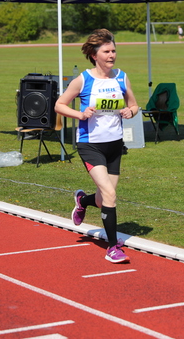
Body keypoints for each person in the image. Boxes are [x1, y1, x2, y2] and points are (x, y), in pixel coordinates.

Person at [55, 28, 138, 263]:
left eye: (114, 51)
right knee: (110, 194)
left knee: (104, 199)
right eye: (106, 52)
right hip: (90, 145)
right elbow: (59, 105)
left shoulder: (121, 77)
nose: (112, 55)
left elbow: (134, 105)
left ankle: (83, 201)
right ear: (94, 55)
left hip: (115, 145)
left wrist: (129, 112)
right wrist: (80, 115)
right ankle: (112, 248)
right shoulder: (84, 79)